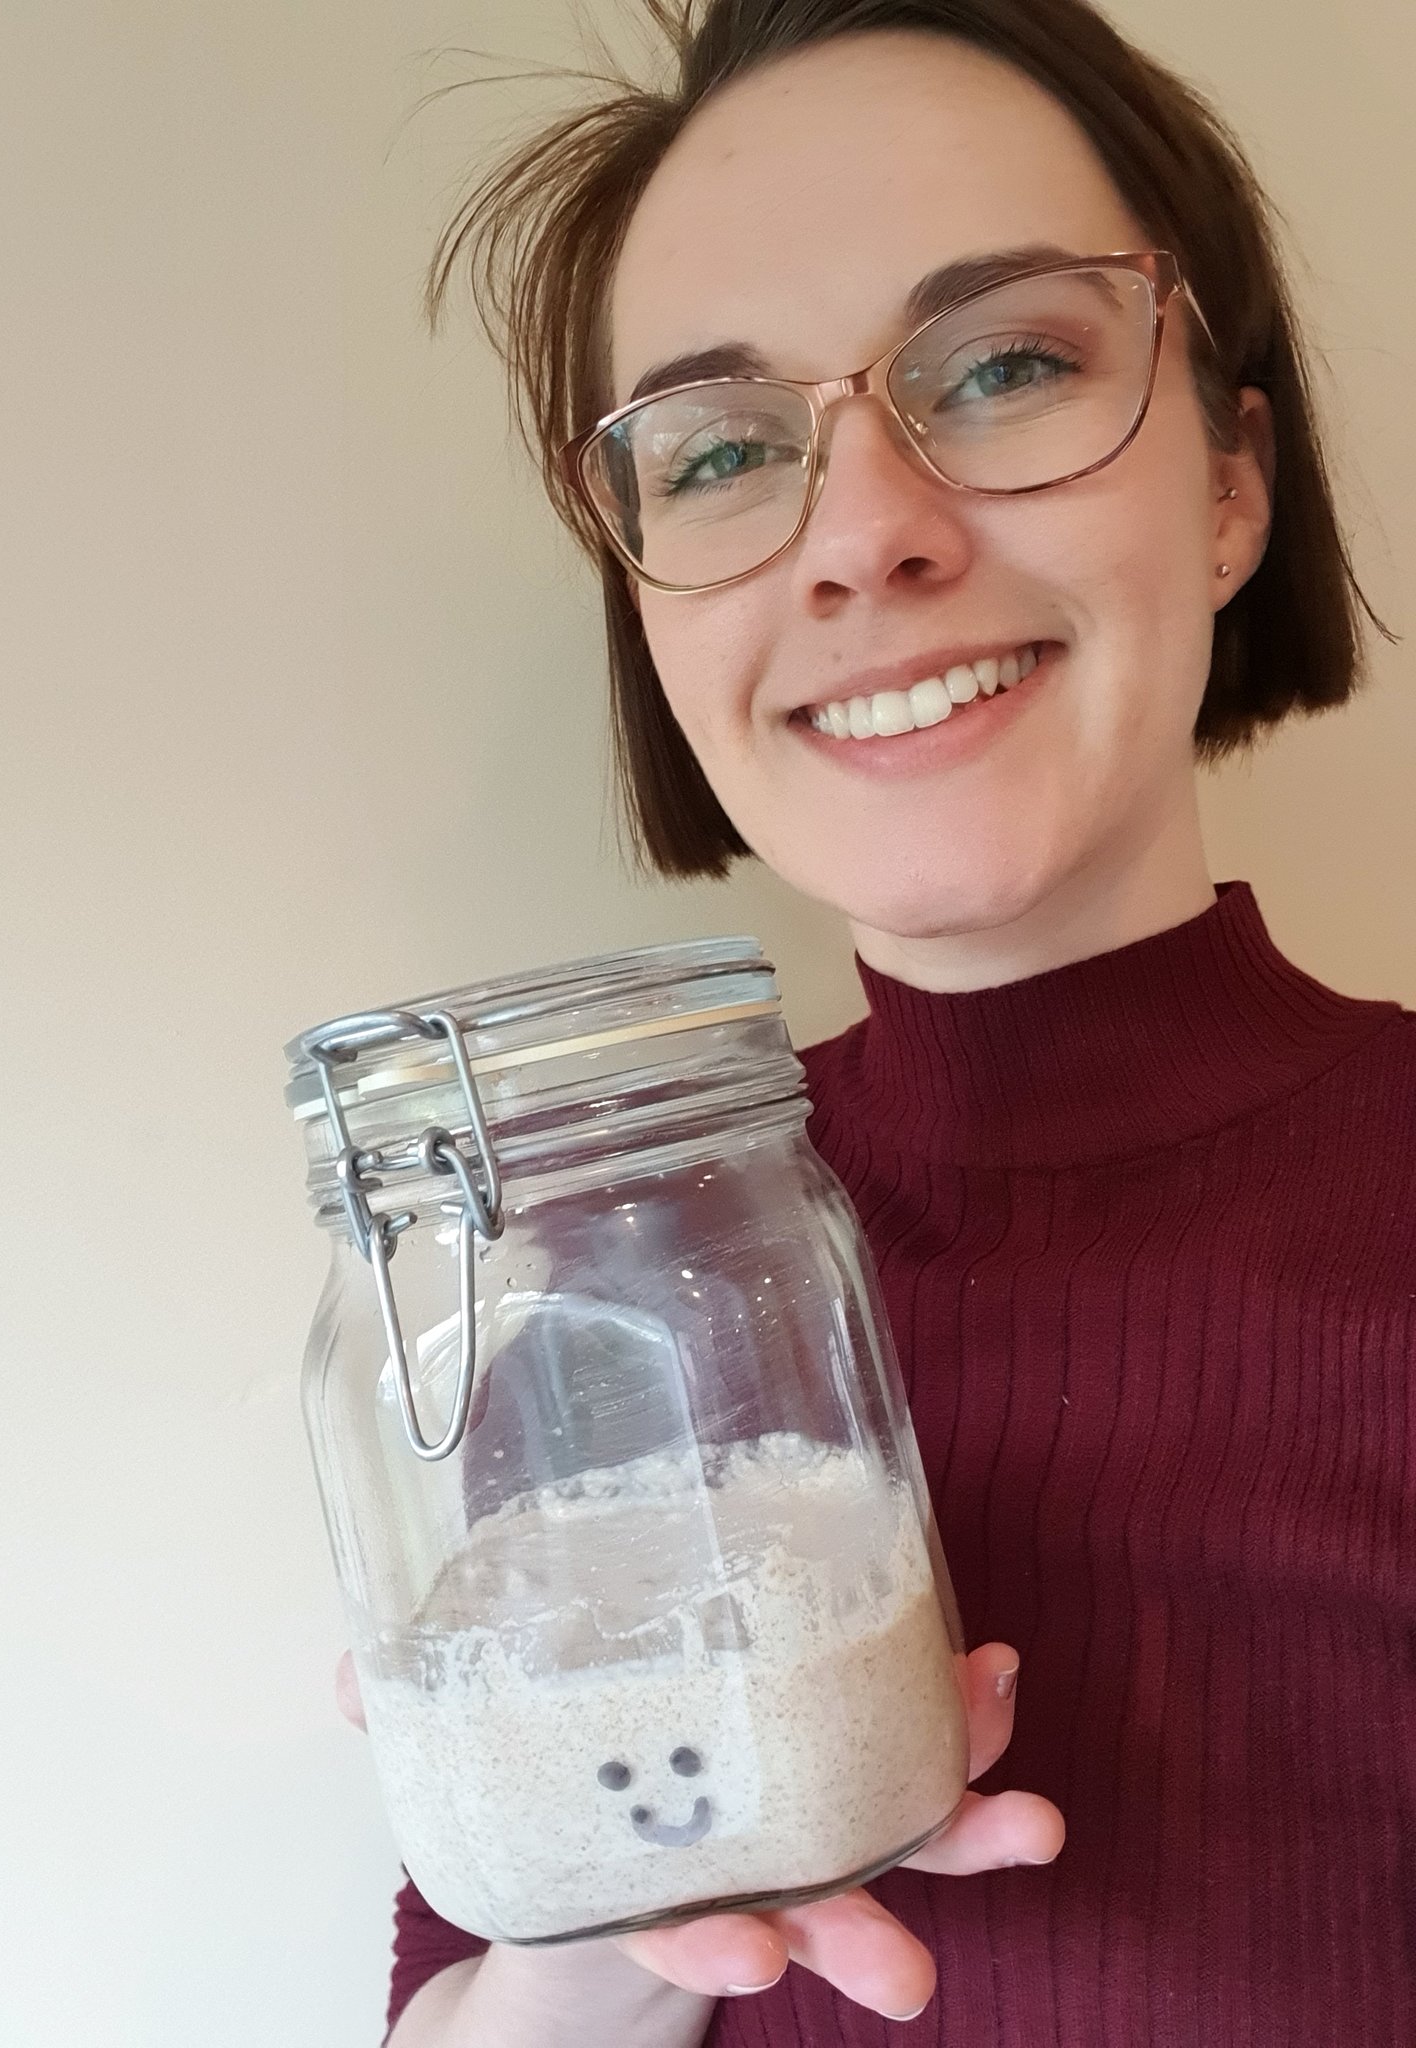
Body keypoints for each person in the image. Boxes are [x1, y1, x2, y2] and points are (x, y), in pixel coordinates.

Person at [335, 2, 1416, 2041]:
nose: (865, 533)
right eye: (724, 448)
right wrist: (587, 1933)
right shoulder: (583, 1287)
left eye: (1007, 363)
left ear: (1232, 483)